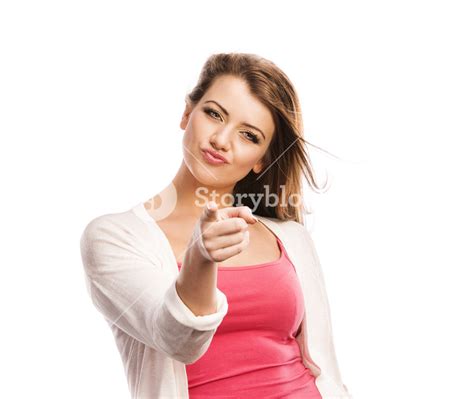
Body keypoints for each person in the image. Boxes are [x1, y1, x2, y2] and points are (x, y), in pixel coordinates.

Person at [80, 52, 352, 398]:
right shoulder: (113, 237)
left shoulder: (291, 238)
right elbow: (175, 339)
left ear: (262, 161)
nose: (222, 140)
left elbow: (324, 367)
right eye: (213, 114)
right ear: (186, 113)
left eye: (249, 136)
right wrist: (200, 258)